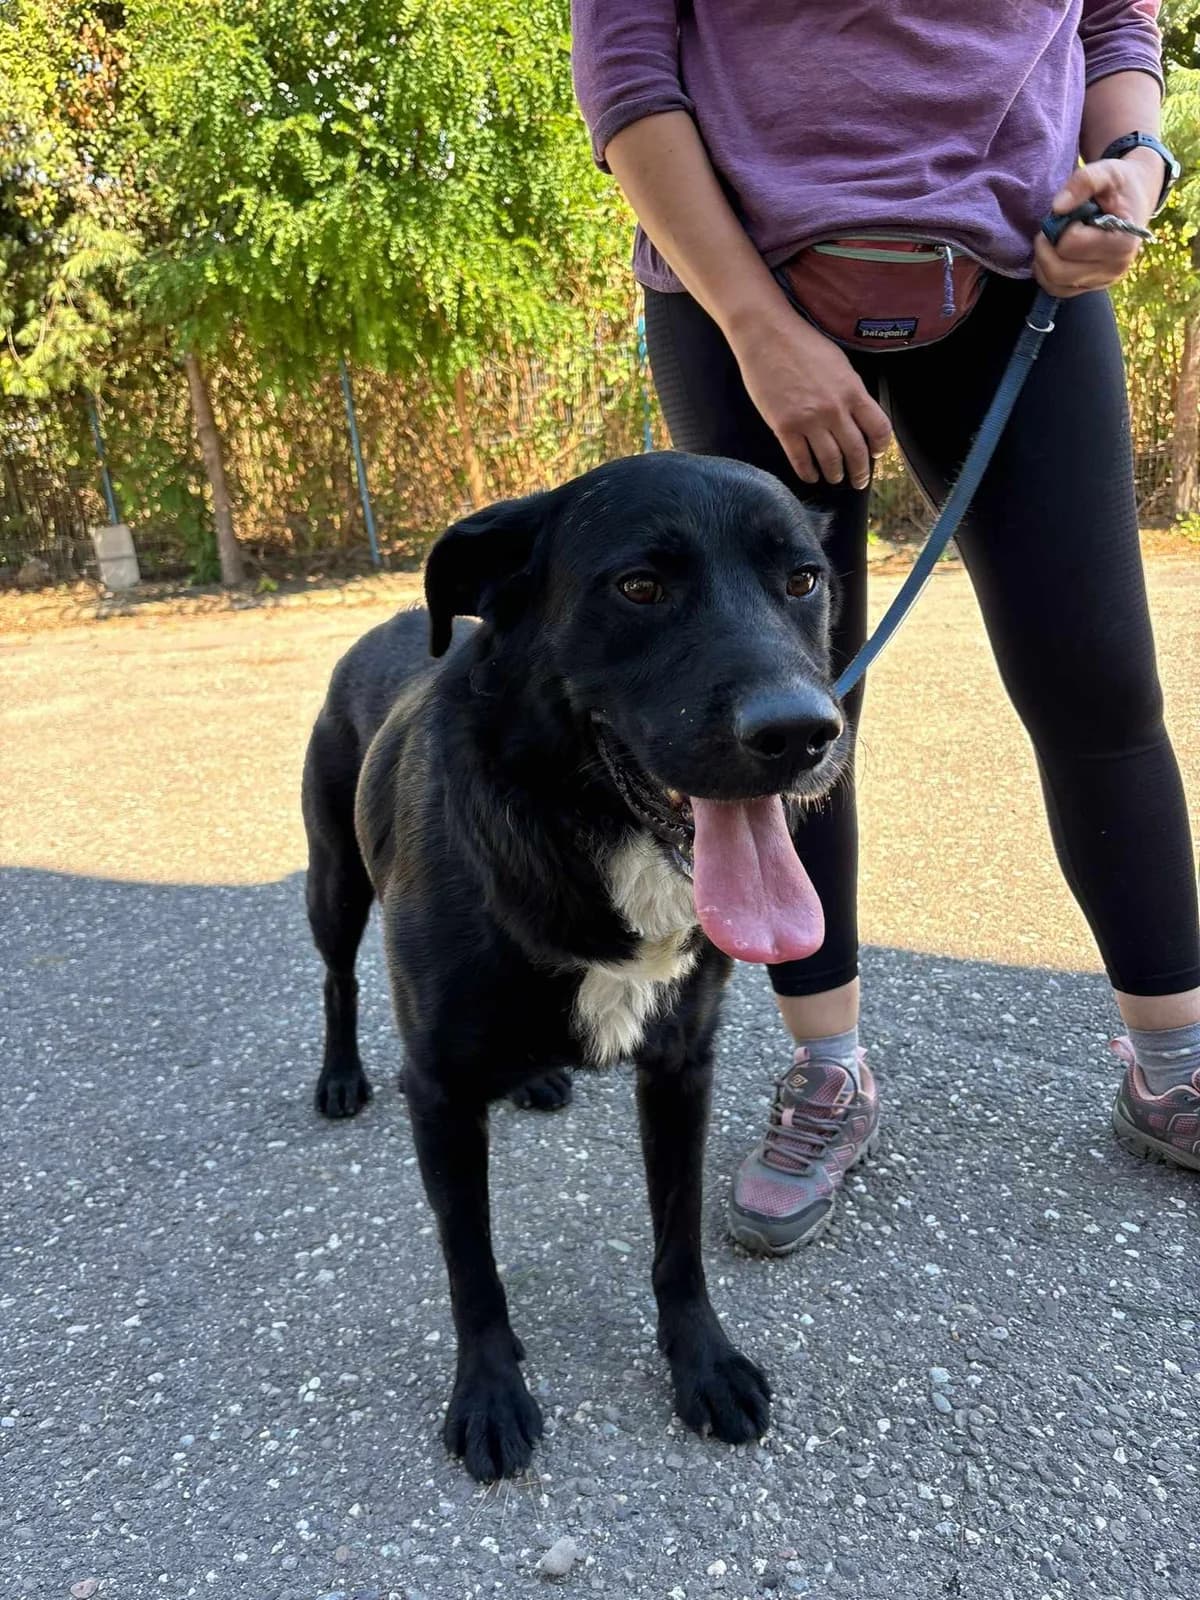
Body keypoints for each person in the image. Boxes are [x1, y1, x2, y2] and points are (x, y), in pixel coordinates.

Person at [569, 1, 1200, 1253]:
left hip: (1022, 281)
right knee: (784, 715)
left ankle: (1175, 1065)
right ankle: (829, 1071)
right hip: (745, 298)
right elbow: (628, 65)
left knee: (1099, 686)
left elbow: (1121, 21)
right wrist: (756, 330)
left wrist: (1133, 164)